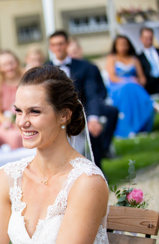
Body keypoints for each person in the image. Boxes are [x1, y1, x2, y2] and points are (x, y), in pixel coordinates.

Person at [0, 65, 112, 244]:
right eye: (18, 111)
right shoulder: (9, 177)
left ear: (64, 115)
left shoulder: (86, 183)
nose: (22, 122)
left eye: (34, 112)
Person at [47, 30, 118, 168]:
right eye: (54, 45)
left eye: (61, 44)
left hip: (83, 111)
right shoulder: (44, 69)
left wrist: (93, 118)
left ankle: (98, 171)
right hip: (56, 115)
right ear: (50, 47)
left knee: (94, 127)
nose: (58, 47)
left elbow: (92, 94)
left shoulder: (85, 67)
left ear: (67, 44)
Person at [106, 35, 157, 138]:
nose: (123, 47)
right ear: (115, 46)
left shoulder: (134, 59)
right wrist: (128, 80)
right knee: (128, 87)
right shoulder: (112, 58)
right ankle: (152, 104)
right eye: (120, 45)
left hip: (134, 88)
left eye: (125, 44)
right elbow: (112, 78)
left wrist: (135, 81)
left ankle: (139, 125)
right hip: (118, 87)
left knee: (131, 88)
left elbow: (142, 79)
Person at [0, 50, 24, 150]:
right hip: (5, 123)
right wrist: (11, 122)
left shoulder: (26, 79)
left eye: (11, 63)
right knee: (15, 137)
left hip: (26, 119)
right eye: (4, 65)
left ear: (17, 62)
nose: (9, 67)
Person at [138, 27, 159, 96]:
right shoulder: (138, 57)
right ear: (141, 39)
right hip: (150, 84)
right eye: (146, 38)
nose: (149, 40)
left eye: (150, 37)